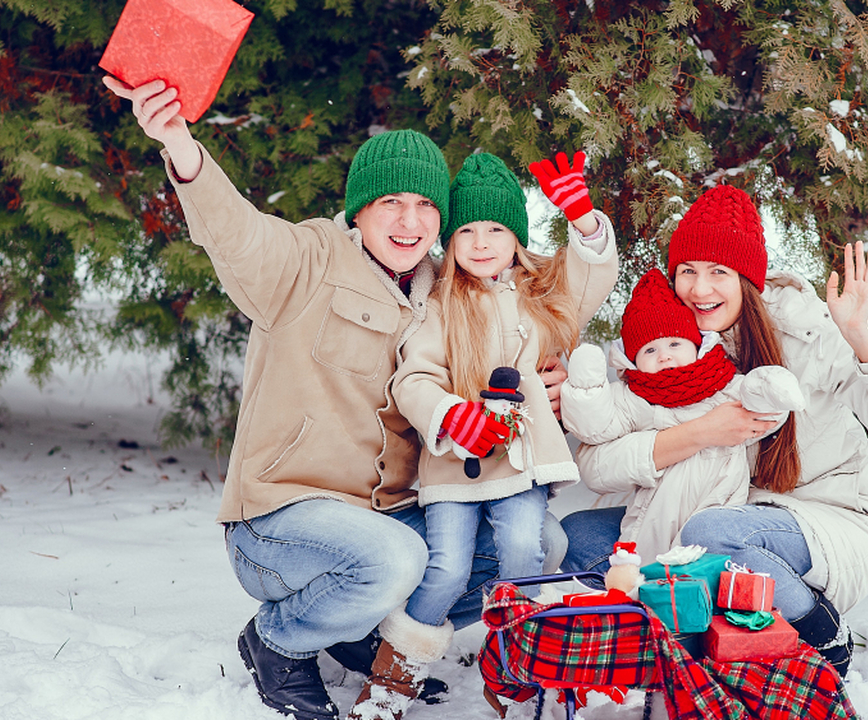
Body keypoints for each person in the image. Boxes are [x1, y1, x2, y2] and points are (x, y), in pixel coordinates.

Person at [100, 77, 569, 720]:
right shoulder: (306, 260)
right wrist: (180, 144)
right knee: (397, 557)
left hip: (389, 513)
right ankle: (278, 641)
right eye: (391, 203)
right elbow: (236, 234)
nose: (410, 222)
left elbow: (517, 343)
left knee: (531, 540)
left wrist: (546, 382)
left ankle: (359, 636)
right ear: (359, 209)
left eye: (426, 207)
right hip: (281, 523)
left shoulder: (446, 296)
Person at [560, 184, 868, 675]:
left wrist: (860, 339)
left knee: (709, 535)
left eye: (719, 272)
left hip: (829, 520)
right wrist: (701, 432)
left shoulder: (805, 335)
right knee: (578, 539)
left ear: (747, 278)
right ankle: (677, 648)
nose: (700, 290)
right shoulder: (668, 348)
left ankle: (821, 635)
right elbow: (595, 461)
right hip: (718, 511)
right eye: (687, 272)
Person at [361, 151, 618, 720]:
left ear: (515, 237)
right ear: (449, 241)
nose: (481, 243)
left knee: (524, 552)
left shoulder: (541, 297)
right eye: (467, 231)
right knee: (449, 566)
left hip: (521, 461)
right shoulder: (439, 305)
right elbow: (415, 379)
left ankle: (520, 669)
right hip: (456, 465)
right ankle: (393, 677)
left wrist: (583, 221)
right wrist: (452, 415)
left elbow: (592, 274)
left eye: (496, 229)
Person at [560, 266, 806, 562]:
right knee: (649, 577)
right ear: (633, 359)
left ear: (696, 344)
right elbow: (595, 426)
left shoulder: (723, 384)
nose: (664, 355)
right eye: (650, 350)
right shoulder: (636, 396)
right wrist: (586, 390)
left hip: (720, 511)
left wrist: (770, 389)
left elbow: (763, 413)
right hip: (655, 522)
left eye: (675, 344)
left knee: (711, 566)